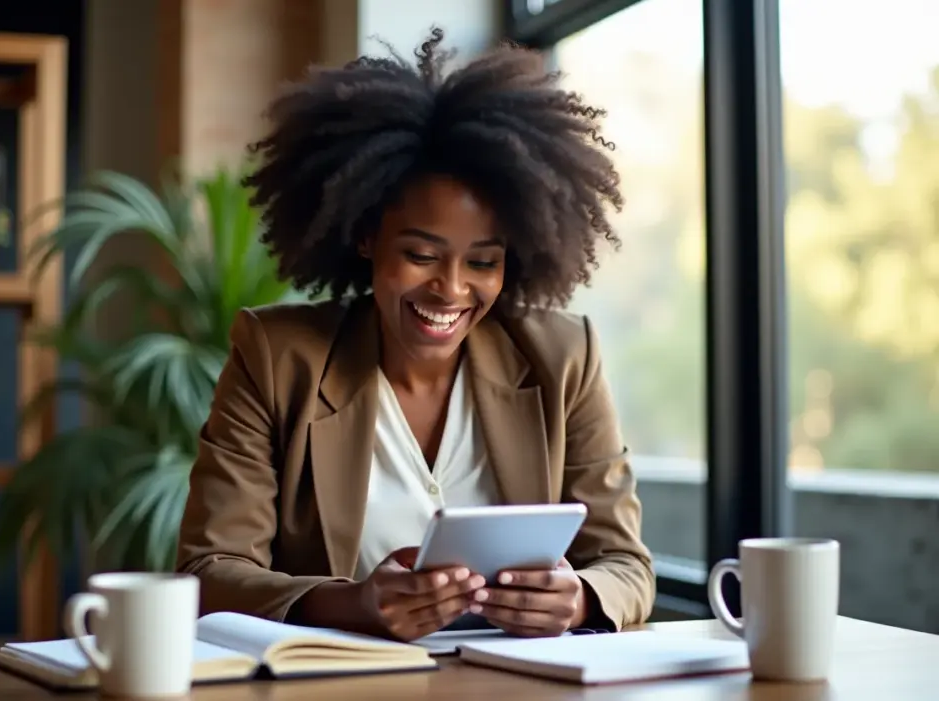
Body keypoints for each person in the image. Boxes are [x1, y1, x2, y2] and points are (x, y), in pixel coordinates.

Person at [176, 27, 654, 643]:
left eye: (483, 262)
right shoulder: (277, 357)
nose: (450, 290)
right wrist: (352, 606)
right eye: (422, 254)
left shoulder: (564, 357)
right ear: (366, 236)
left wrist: (579, 598)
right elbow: (208, 571)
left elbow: (628, 566)